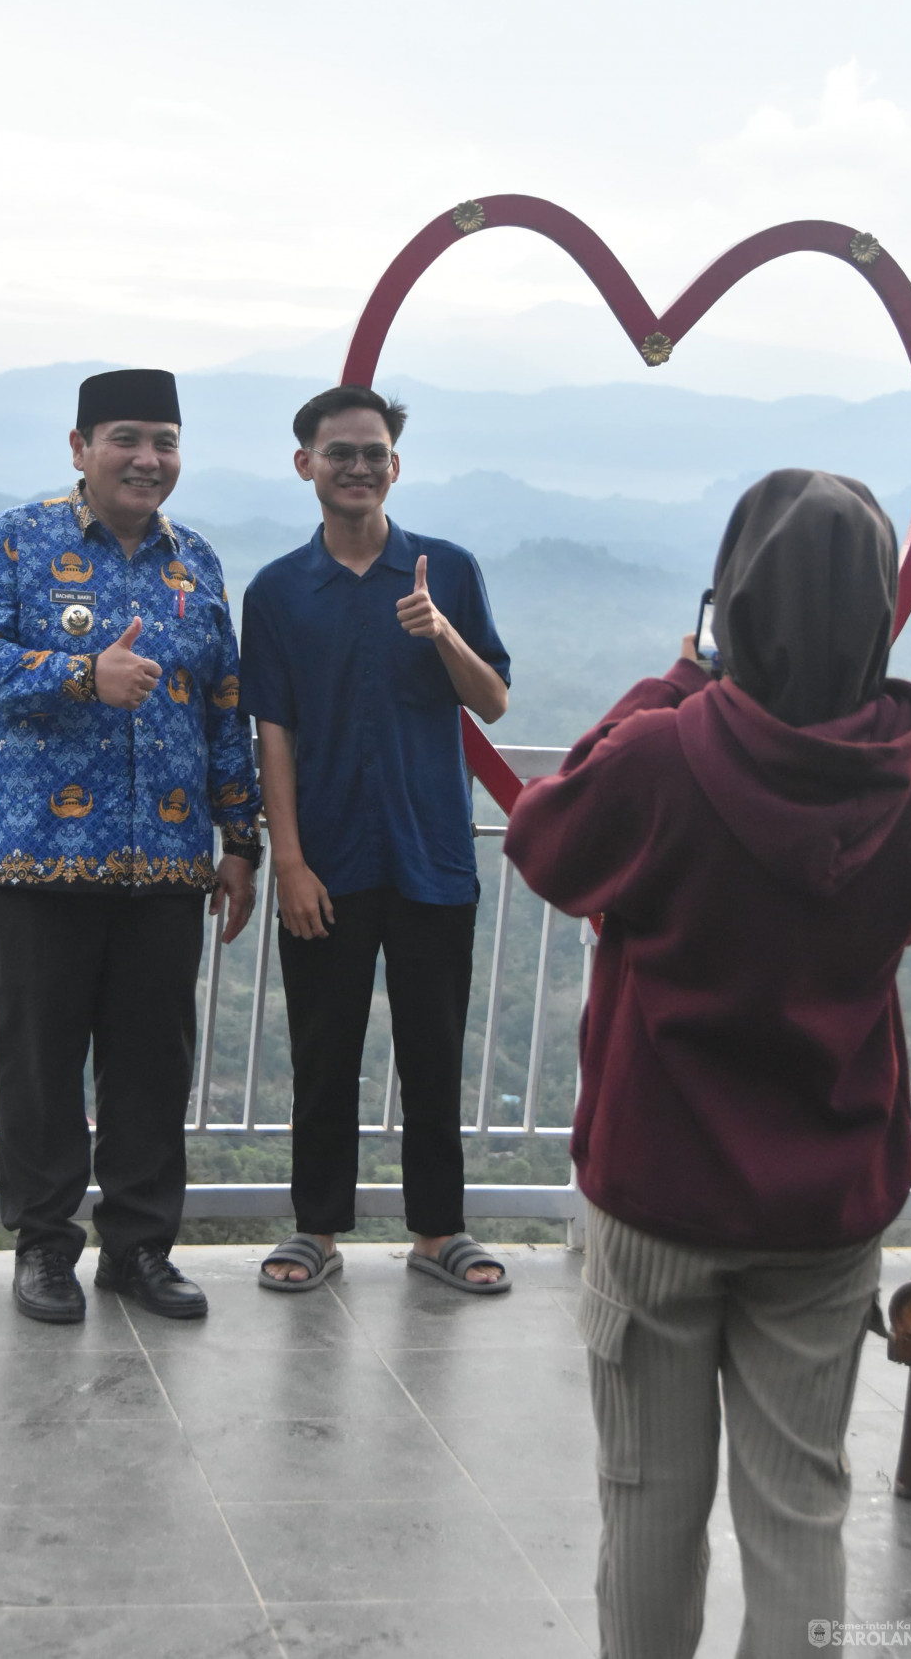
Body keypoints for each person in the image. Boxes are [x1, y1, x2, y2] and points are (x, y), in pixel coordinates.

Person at [504, 469, 911, 1657]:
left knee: (649, 1500)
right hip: (826, 1198)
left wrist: (676, 673)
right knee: (801, 1501)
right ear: (878, 612)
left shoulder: (663, 754)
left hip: (656, 1185)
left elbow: (543, 840)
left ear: (733, 605)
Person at [0, 368, 262, 1324]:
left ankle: (139, 1249)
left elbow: (224, 710)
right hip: (36, 858)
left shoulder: (194, 562)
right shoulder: (16, 538)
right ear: (79, 448)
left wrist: (239, 839)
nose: (147, 459)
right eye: (126, 438)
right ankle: (45, 1250)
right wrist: (86, 675)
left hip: (168, 864)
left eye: (164, 441)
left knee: (151, 1066)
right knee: (41, 1068)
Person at [239, 384, 513, 1294]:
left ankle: (440, 1232)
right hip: (326, 859)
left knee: (433, 1048)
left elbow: (493, 699)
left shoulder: (448, 570)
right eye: (338, 452)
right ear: (304, 464)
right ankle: (317, 1226)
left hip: (431, 853)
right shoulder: (278, 591)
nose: (356, 466)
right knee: (325, 1050)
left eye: (372, 453)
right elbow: (271, 731)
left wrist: (440, 632)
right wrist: (288, 861)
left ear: (395, 466)